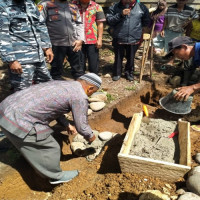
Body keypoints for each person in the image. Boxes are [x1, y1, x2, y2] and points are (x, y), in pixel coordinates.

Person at [0, 73, 101, 184]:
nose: (91, 95)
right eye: (93, 92)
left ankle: (28, 149)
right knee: (50, 148)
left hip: (5, 108)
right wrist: (91, 138)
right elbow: (82, 126)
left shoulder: (62, 84)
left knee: (43, 137)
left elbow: (53, 105)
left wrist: (66, 124)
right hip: (19, 119)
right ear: (90, 88)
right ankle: (55, 177)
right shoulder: (80, 96)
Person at [0, 0, 53, 91]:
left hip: (38, 57)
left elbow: (40, 24)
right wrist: (11, 60)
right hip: (21, 61)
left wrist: (47, 47)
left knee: (46, 87)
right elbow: (2, 35)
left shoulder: (30, 3)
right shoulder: (3, 6)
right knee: (23, 93)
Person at [38, 0, 85, 80]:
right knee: (56, 72)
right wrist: (45, 45)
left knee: (79, 71)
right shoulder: (45, 5)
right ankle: (58, 90)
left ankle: (81, 89)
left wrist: (80, 39)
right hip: (56, 44)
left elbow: (79, 23)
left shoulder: (73, 6)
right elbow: (40, 25)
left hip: (74, 43)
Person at [106, 0, 150, 81]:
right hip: (119, 36)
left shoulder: (142, 7)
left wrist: (140, 31)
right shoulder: (114, 7)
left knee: (131, 57)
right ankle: (117, 73)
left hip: (134, 37)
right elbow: (109, 21)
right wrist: (120, 15)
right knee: (118, 57)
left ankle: (129, 73)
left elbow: (146, 21)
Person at [159, 0, 198, 67]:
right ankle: (170, 59)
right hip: (169, 30)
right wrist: (162, 29)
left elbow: (196, 18)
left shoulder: (190, 10)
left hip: (179, 32)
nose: (180, 1)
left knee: (177, 48)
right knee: (169, 47)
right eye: (179, 0)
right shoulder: (170, 8)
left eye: (183, 0)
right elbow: (166, 19)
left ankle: (171, 61)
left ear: (186, 1)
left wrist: (189, 22)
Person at [73, 0, 106, 75]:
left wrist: (100, 39)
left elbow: (100, 23)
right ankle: (80, 79)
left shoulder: (97, 7)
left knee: (93, 63)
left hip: (92, 39)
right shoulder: (72, 6)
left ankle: (93, 79)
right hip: (77, 40)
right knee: (79, 62)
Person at [165, 36, 200, 101]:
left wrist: (193, 88)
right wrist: (194, 90)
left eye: (177, 53)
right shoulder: (196, 56)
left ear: (184, 47)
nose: (177, 57)